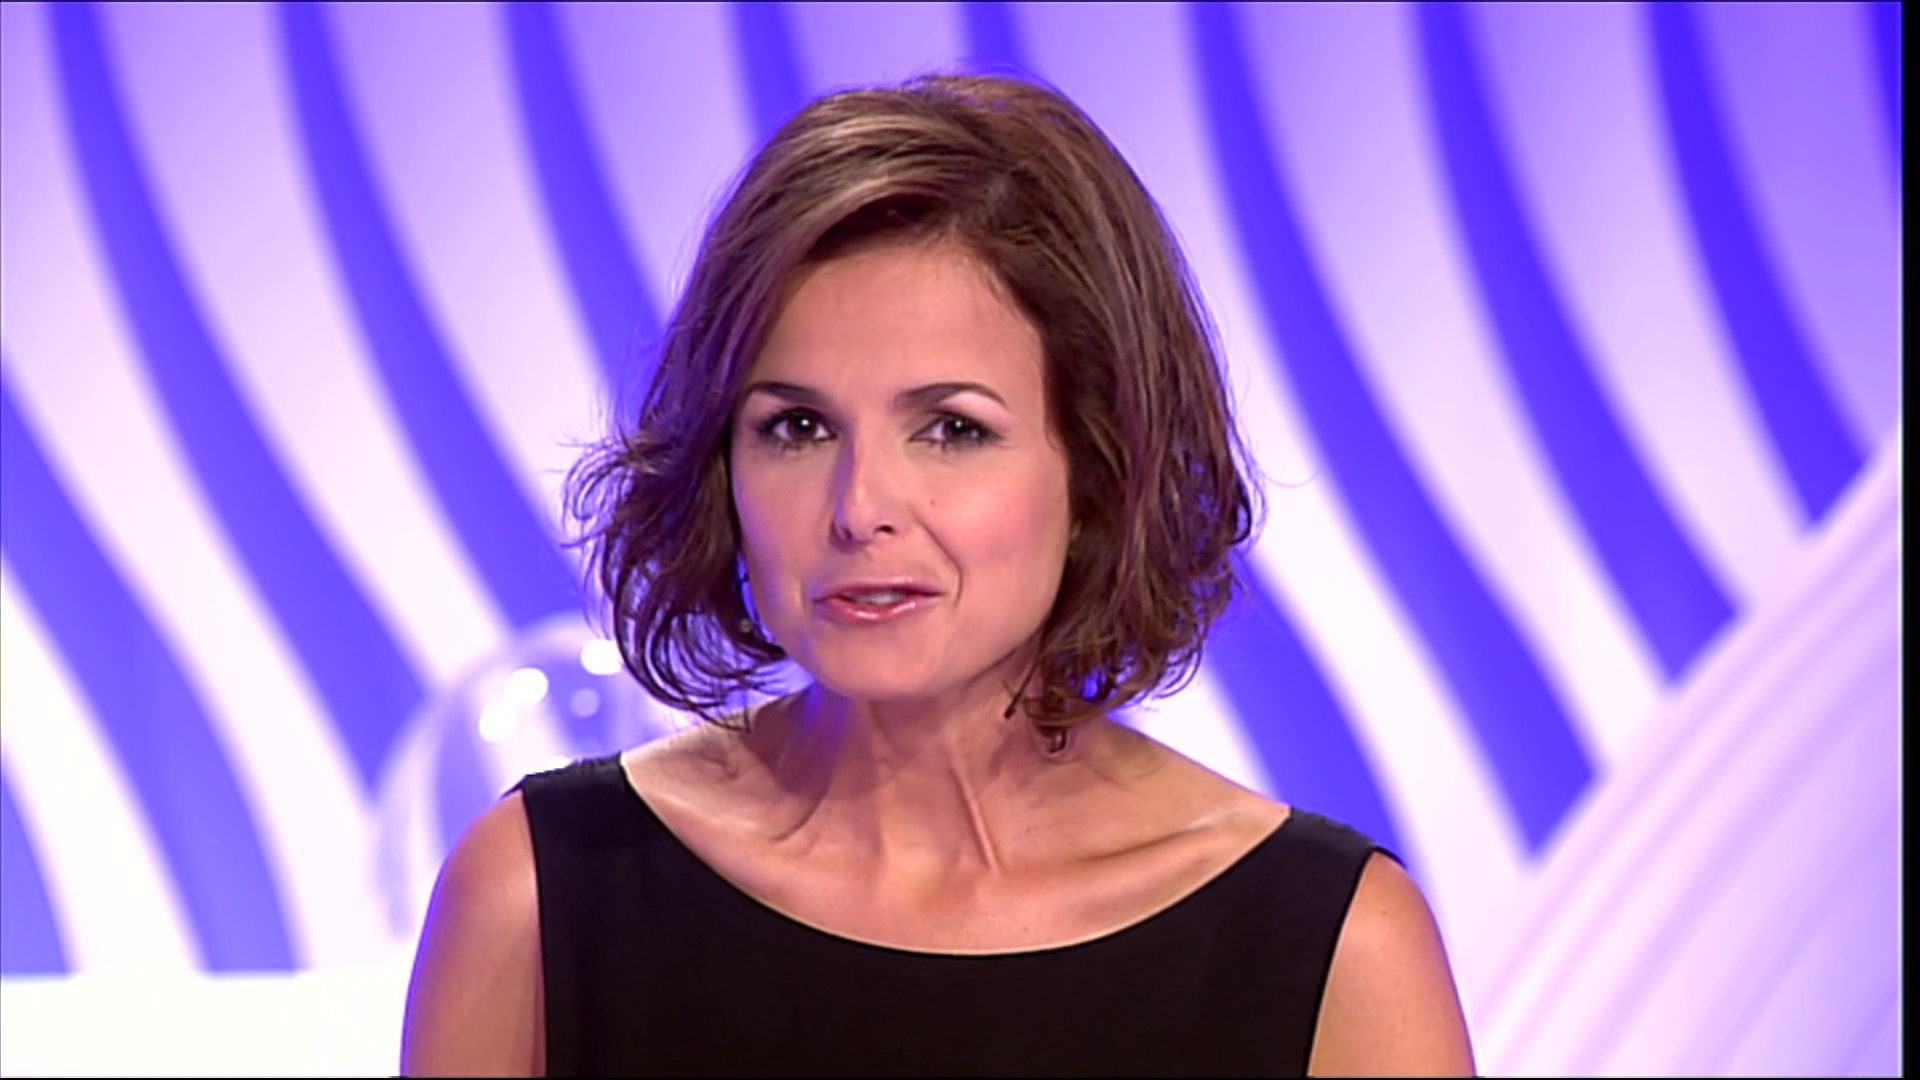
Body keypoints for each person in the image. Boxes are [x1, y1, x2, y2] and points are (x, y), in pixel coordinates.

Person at [399, 73, 1475, 1077]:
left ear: (1098, 468)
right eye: (798, 427)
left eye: (953, 429)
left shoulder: (1333, 948)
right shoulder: (539, 895)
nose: (859, 505)